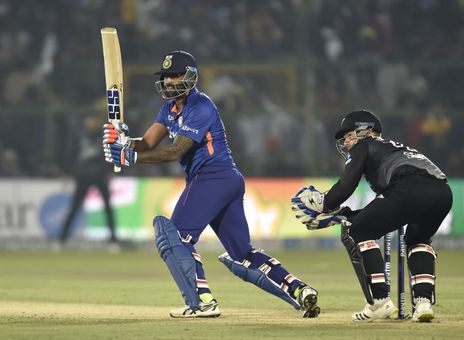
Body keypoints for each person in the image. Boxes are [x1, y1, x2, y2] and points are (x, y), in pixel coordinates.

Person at [102, 50, 320, 318]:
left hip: (211, 177)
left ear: (190, 76)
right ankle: (299, 289)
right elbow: (147, 143)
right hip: (225, 181)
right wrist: (124, 141)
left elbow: (175, 151)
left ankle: (202, 301)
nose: (170, 81)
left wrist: (131, 157)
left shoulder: (201, 106)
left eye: (175, 75)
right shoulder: (168, 109)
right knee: (243, 255)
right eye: (166, 76)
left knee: (175, 238)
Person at [291, 110, 452, 323]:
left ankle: (380, 301)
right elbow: (384, 210)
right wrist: (341, 214)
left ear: (365, 131)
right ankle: (423, 304)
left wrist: (323, 204)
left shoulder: (364, 146)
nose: (347, 142)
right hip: (442, 193)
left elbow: (345, 187)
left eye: (349, 135)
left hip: (408, 188)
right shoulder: (393, 148)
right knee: (417, 240)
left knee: (359, 230)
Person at [59, 115, 118, 247]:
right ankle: (62, 239)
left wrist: (110, 171)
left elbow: (111, 153)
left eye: (94, 120)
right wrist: (68, 172)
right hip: (83, 175)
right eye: (90, 120)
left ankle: (113, 240)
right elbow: (71, 154)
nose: (92, 123)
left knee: (107, 207)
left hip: (100, 175)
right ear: (85, 122)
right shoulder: (79, 136)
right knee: (75, 207)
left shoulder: (104, 136)